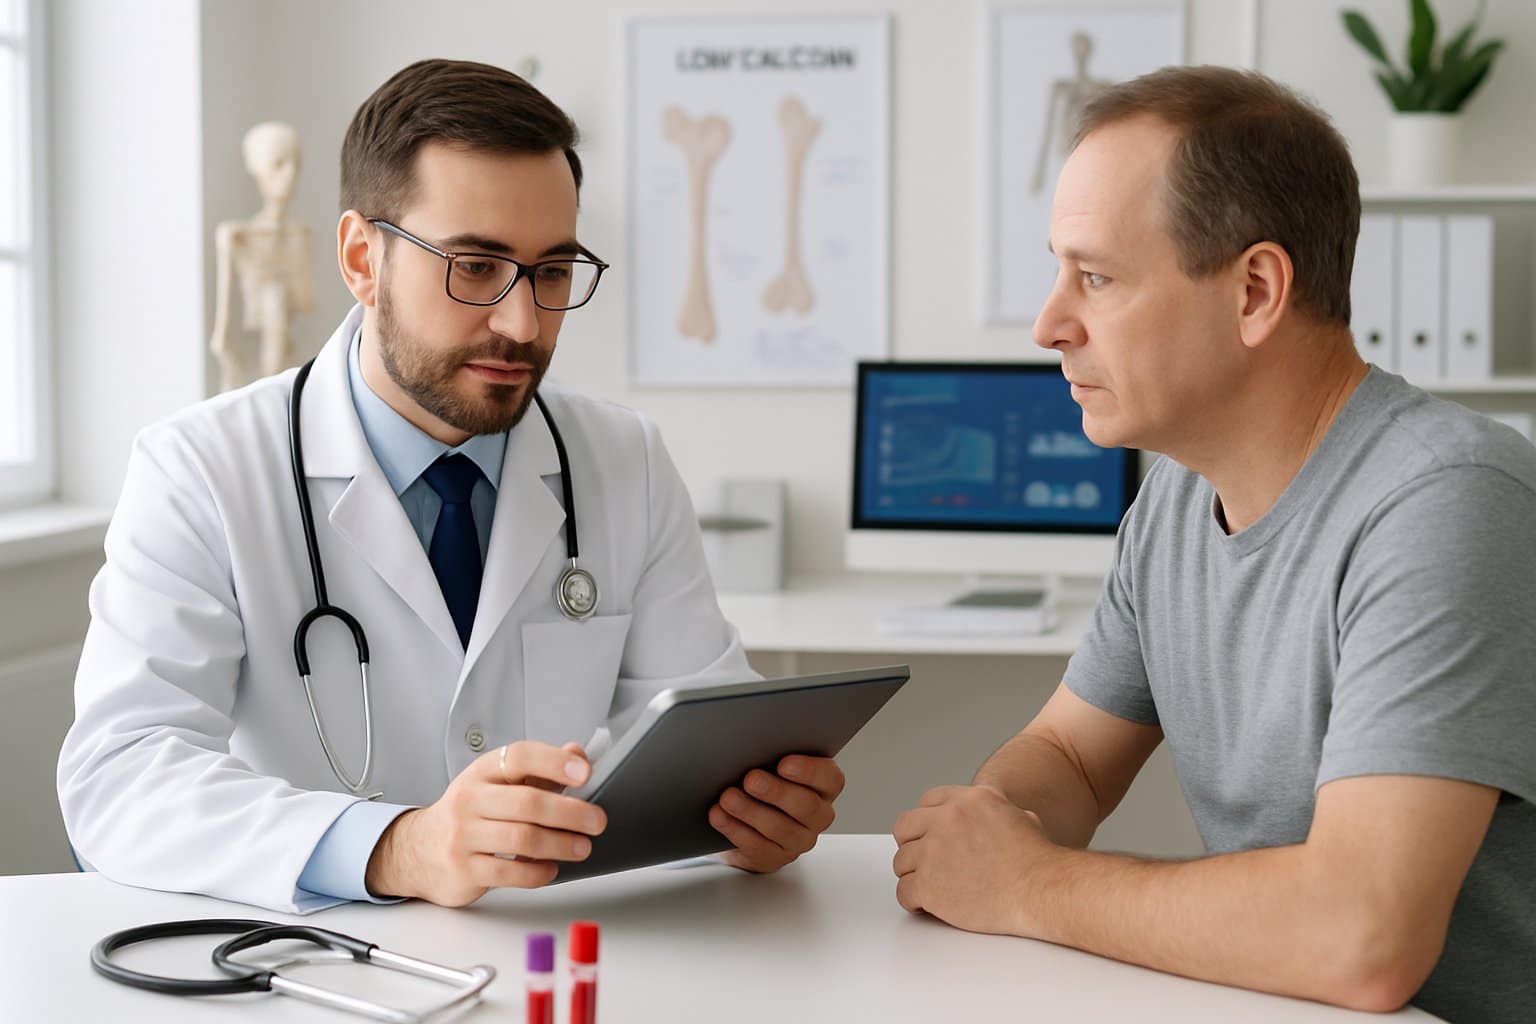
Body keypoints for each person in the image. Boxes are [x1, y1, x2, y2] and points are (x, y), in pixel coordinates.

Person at [58, 59, 844, 915]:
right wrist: (400, 848)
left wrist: (750, 812)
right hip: (305, 968)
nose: (521, 323)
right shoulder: (202, 469)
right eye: (475, 265)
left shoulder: (623, 458)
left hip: (574, 958)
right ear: (363, 259)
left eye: (551, 272)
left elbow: (704, 722)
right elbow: (119, 774)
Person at [891, 66, 1535, 1023]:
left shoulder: (1448, 501)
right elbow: (1068, 756)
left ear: (1256, 291)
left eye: (1096, 277)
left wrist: (1027, 886)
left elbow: (1365, 939)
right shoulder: (1173, 505)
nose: (1047, 325)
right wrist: (993, 827)